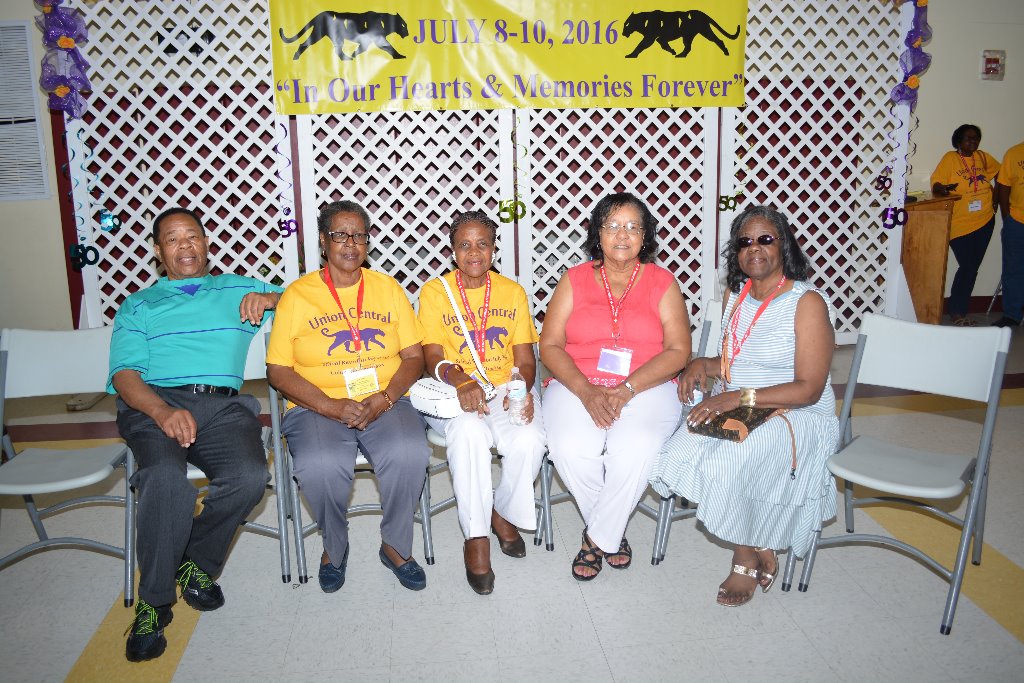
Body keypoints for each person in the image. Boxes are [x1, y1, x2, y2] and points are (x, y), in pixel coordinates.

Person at [109, 207, 282, 662]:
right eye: (172, 239)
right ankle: (153, 601)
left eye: (192, 237)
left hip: (224, 406)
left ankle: (196, 563)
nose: (184, 247)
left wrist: (272, 300)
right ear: (158, 251)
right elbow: (125, 374)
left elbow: (310, 300)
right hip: (154, 402)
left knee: (248, 477)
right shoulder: (139, 305)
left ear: (207, 244)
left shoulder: (240, 287)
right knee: (165, 481)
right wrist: (162, 410)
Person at [650, 205, 839, 607]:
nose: (755, 248)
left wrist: (737, 396)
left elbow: (809, 388)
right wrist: (704, 364)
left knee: (729, 460)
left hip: (795, 413)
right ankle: (761, 536)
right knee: (672, 456)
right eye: (745, 242)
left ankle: (745, 553)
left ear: (783, 246)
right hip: (743, 405)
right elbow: (738, 362)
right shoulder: (737, 294)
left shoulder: (807, 303)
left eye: (765, 239)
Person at [266, 200, 431, 594]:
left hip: (384, 400)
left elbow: (413, 356)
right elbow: (278, 371)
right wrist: (331, 406)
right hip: (315, 406)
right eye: (340, 234)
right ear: (324, 242)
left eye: (359, 235)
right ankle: (334, 548)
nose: (351, 243)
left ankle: (394, 546)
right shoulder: (297, 295)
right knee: (320, 465)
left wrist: (385, 399)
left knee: (410, 452)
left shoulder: (387, 288)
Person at [539, 191, 690, 581]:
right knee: (570, 447)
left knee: (635, 447)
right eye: (613, 226)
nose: (622, 235)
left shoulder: (662, 282)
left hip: (647, 385)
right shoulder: (573, 280)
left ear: (645, 236)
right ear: (598, 233)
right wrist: (586, 391)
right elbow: (550, 345)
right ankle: (611, 532)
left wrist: (627, 389)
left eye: (632, 227)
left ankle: (596, 538)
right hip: (577, 382)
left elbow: (677, 352)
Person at [417, 210, 546, 595]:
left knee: (530, 440)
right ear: (453, 250)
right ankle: (476, 538)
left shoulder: (512, 292)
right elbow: (431, 357)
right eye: (465, 245)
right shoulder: (435, 292)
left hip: (505, 386)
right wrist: (462, 382)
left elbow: (525, 359)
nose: (474, 252)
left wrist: (521, 392)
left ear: (494, 248)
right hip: (454, 390)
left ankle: (501, 509)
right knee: (470, 435)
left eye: (483, 244)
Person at [930, 124, 1000, 326]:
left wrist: (995, 198)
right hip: (959, 223)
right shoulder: (950, 159)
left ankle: (959, 311)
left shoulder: (984, 157)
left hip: (985, 220)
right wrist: (941, 189)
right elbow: (936, 182)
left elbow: (1001, 177)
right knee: (968, 266)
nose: (973, 142)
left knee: (972, 268)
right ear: (958, 141)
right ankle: (956, 310)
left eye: (976, 138)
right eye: (969, 138)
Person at [994, 139, 1024, 327]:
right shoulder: (1014, 153)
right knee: (1013, 269)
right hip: (1018, 221)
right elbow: (1003, 186)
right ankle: (1012, 314)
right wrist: (1008, 217)